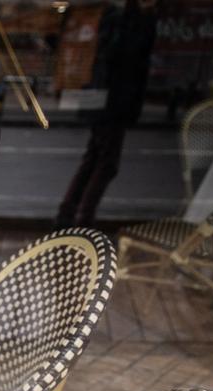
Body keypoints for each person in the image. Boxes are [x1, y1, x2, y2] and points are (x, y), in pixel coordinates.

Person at [55, 0, 159, 229]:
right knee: (105, 162)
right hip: (113, 101)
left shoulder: (120, 17)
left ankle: (69, 213)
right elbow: (127, 60)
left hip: (106, 98)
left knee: (95, 157)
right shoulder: (128, 20)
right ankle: (82, 217)